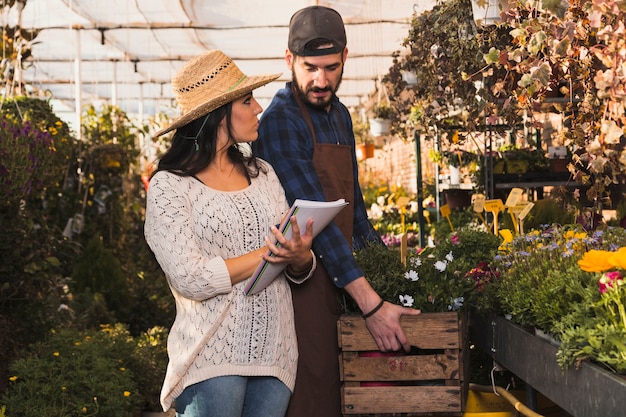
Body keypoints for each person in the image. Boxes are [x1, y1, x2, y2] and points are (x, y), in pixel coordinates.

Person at [252, 6, 421, 417]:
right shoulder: (281, 121)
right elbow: (313, 223)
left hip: (342, 276)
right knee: (315, 391)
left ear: (345, 58)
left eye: (330, 67)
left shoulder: (340, 114)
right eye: (310, 67)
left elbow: (355, 213)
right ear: (289, 60)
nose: (321, 80)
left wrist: (395, 278)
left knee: (348, 391)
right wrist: (372, 304)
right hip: (302, 285)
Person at [144, 49, 317, 417]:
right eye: (247, 99)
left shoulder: (263, 173)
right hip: (211, 355)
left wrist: (300, 256)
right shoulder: (169, 187)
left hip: (276, 353)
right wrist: (269, 253)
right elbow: (190, 277)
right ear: (217, 114)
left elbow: (295, 269)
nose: (258, 108)